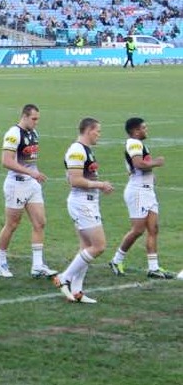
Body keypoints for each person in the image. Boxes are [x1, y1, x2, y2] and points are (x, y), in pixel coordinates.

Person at [53, 118, 114, 304]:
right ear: (88, 130)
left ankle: (77, 291)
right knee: (99, 246)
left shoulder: (85, 150)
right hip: (82, 203)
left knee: (86, 247)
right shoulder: (77, 151)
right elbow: (75, 180)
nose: (99, 135)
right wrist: (100, 185)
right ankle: (64, 277)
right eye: (97, 131)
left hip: (88, 202)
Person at [0, 104, 57, 279]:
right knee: (12, 224)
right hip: (16, 185)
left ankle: (37, 265)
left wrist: (34, 174)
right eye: (34, 119)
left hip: (32, 184)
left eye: (38, 119)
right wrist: (31, 173)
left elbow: (30, 160)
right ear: (24, 116)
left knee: (40, 222)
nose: (36, 122)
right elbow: (6, 161)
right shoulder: (13, 134)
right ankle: (0, 261)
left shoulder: (33, 133)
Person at [109, 118, 173, 279]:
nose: (146, 130)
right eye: (144, 128)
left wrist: (151, 174)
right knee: (138, 230)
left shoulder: (138, 144)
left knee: (153, 228)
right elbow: (138, 164)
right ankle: (116, 260)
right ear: (136, 131)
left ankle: (153, 267)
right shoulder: (134, 144)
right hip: (138, 191)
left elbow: (138, 166)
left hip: (147, 191)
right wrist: (157, 162)